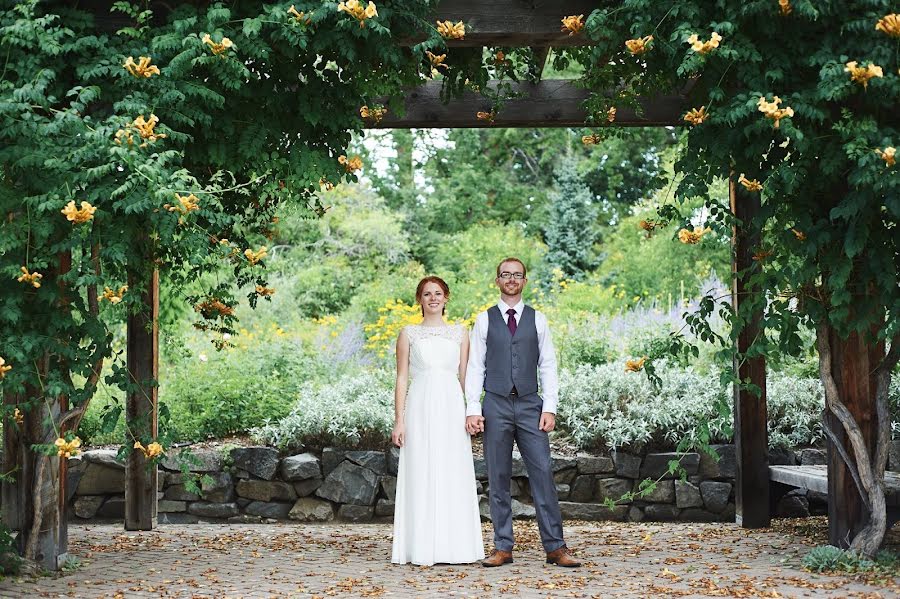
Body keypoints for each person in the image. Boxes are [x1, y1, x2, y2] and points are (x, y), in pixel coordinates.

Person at [465, 257, 581, 568]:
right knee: (498, 477)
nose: (512, 279)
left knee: (543, 473)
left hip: (531, 404)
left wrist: (550, 407)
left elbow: (548, 365)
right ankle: (502, 547)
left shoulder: (538, 319)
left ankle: (556, 547)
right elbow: (475, 366)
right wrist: (473, 408)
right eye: (506, 275)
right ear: (498, 280)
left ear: (525, 281)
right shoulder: (484, 320)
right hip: (496, 405)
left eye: (517, 275)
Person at [391, 276, 485, 566]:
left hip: (451, 408)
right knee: (421, 470)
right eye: (427, 294)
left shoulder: (460, 333)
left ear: (446, 298)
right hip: (418, 407)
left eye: (438, 293)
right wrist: (398, 420)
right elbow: (402, 377)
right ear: (419, 299)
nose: (433, 298)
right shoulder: (408, 333)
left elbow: (466, 377)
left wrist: (472, 410)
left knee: (451, 470)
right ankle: (420, 547)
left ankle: (455, 547)